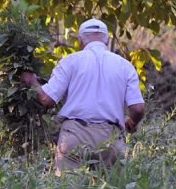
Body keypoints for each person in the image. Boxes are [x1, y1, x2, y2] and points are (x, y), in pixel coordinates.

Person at [19, 18, 145, 173]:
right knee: (112, 188)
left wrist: (32, 81)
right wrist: (132, 122)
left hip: (74, 135)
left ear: (80, 41)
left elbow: (46, 99)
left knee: (68, 187)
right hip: (110, 138)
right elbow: (138, 109)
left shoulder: (70, 62)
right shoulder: (125, 66)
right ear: (107, 40)